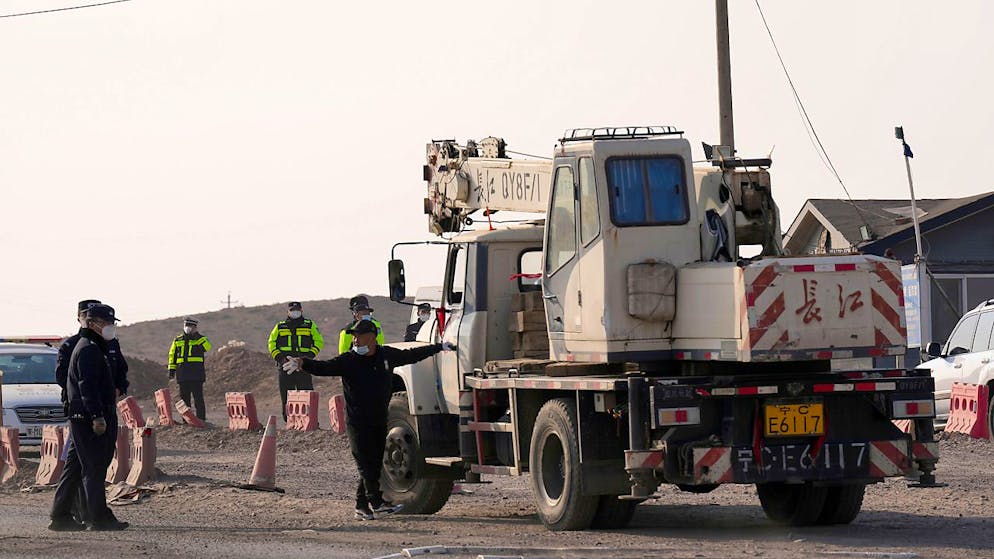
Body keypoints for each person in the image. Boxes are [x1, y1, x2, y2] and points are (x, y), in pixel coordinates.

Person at [283, 320, 454, 521]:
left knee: (373, 465)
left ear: (371, 337)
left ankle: (361, 507)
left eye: (359, 336)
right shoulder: (349, 360)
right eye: (354, 336)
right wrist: (302, 363)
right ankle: (377, 503)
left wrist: (438, 347)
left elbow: (411, 355)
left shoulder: (386, 355)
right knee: (365, 464)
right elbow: (325, 367)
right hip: (358, 423)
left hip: (379, 420)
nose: (355, 340)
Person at [51, 299, 129, 530]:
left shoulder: (100, 346)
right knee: (94, 466)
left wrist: (119, 388)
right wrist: (96, 416)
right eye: (105, 322)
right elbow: (86, 385)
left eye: (111, 322)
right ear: (92, 323)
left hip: (96, 411)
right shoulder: (86, 348)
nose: (110, 326)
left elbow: (119, 371)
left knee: (77, 466)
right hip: (89, 416)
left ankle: (60, 515)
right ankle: (98, 517)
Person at [268, 302, 324, 421]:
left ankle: (310, 421)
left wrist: (307, 358)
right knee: (286, 395)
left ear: (302, 311)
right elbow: (271, 343)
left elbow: (318, 341)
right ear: (288, 312)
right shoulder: (280, 326)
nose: (295, 312)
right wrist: (280, 359)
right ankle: (289, 421)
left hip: (303, 365)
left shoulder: (309, 325)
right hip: (285, 365)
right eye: (292, 310)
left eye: (297, 310)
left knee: (306, 393)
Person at [167, 317, 212, 421]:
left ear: (195, 327)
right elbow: (172, 355)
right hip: (183, 374)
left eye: (190, 326)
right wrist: (171, 370)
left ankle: (201, 419)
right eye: (186, 325)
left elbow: (207, 347)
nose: (188, 328)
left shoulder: (201, 339)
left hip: (196, 374)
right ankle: (186, 421)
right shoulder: (178, 340)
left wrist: (196, 336)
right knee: (184, 399)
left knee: (198, 398)